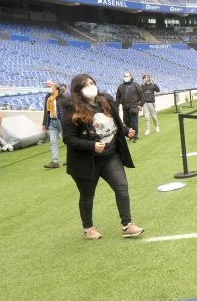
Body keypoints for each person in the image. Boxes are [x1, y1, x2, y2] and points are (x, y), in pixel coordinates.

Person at [61, 73, 143, 240]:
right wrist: (91, 146)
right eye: (85, 85)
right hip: (86, 161)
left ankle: (127, 225)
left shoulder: (105, 101)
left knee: (121, 186)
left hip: (110, 156)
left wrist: (126, 130)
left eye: (92, 82)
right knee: (87, 195)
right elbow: (68, 138)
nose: (90, 86)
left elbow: (115, 122)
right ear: (78, 90)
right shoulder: (72, 108)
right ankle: (88, 228)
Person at [116, 72, 143, 143]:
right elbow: (118, 97)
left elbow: (141, 96)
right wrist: (117, 105)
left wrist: (141, 105)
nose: (126, 77)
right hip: (125, 107)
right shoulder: (120, 86)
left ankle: (135, 136)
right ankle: (131, 134)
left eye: (127, 76)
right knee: (126, 121)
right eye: (124, 76)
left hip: (134, 107)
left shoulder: (136, 85)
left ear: (131, 77)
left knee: (134, 123)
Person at [41, 79, 63, 168]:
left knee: (67, 141)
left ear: (55, 86)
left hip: (61, 121)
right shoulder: (47, 97)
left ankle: (71, 160)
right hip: (51, 122)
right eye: (47, 86)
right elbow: (46, 111)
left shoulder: (62, 96)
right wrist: (44, 123)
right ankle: (55, 162)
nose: (48, 87)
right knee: (53, 142)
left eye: (49, 85)